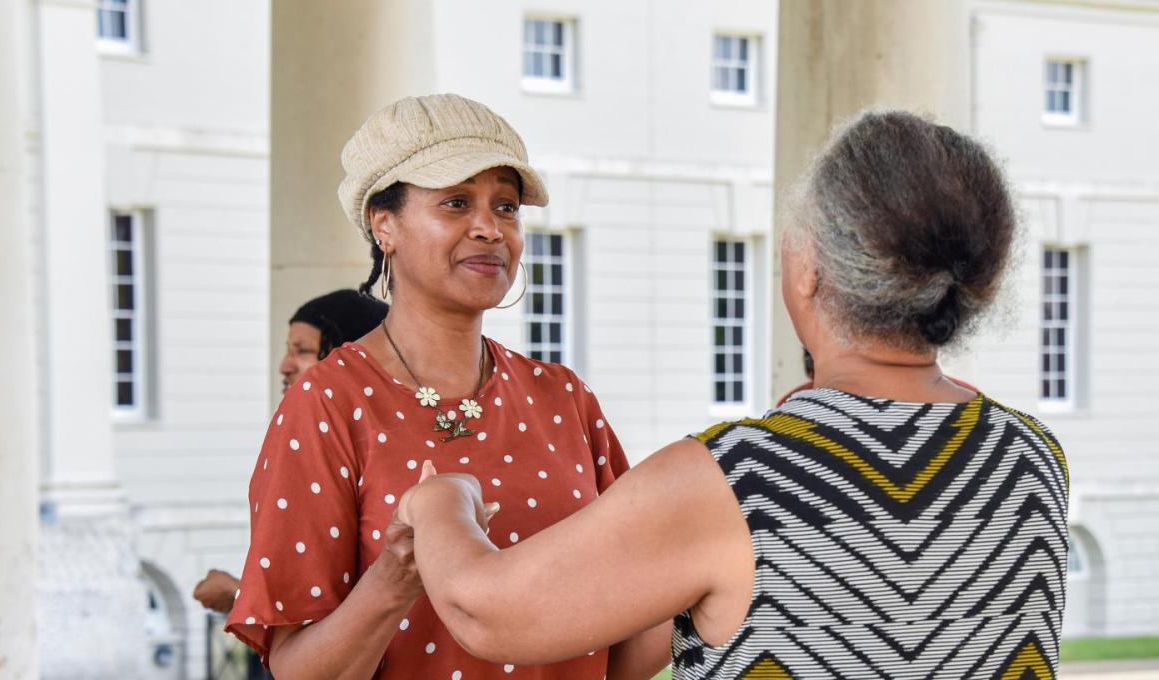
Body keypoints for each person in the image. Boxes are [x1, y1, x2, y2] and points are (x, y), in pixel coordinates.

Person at [396, 111, 1071, 678]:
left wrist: (441, 505)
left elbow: (486, 611)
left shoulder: (738, 478)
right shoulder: (1035, 458)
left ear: (810, 267)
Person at [226, 94, 667, 679]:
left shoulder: (564, 400)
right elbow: (299, 671)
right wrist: (394, 579)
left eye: (506, 207)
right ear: (385, 226)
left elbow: (626, 647)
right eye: (456, 203)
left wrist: (718, 553)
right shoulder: (329, 403)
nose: (489, 228)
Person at [193, 289, 389, 614]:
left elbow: (328, 597)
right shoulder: (327, 437)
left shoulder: (361, 448)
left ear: (347, 357)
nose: (285, 365)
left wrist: (238, 595)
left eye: (303, 351)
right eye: (288, 350)